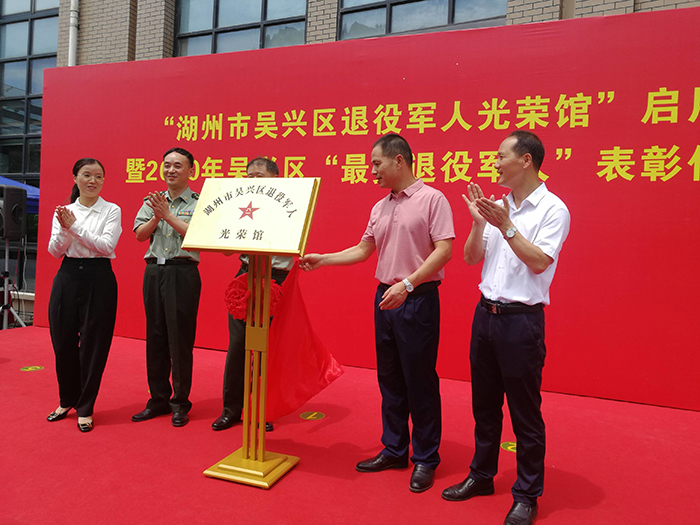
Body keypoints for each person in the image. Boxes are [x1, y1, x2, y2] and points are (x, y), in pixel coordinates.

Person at [300, 133, 454, 493]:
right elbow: (362, 250)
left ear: (399, 160)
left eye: (377, 163)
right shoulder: (380, 207)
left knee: (420, 380)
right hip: (385, 297)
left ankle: (426, 457)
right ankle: (395, 448)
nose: (372, 171)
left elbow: (444, 250)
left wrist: (408, 285)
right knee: (390, 377)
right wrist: (324, 259)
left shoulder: (433, 199)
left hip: (416, 298)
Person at [442, 131, 570, 525]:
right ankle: (481, 475)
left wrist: (507, 226)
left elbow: (539, 261)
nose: (495, 163)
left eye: (501, 156)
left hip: (521, 322)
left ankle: (527, 494)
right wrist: (479, 223)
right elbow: (470, 258)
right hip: (485, 316)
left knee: (524, 413)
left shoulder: (553, 209)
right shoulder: (496, 207)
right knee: (484, 405)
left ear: (526, 160)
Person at [212, 157, 293, 432]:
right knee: (238, 345)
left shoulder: (290, 208)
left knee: (266, 347)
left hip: (276, 278)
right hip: (246, 276)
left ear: (276, 180)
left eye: (260, 176)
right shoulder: (242, 207)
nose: (253, 182)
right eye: (249, 177)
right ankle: (231, 409)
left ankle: (261, 409)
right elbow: (226, 250)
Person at [47, 158, 122, 433]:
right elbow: (55, 250)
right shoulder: (64, 211)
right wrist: (66, 229)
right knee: (62, 341)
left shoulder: (112, 210)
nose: (93, 181)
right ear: (75, 178)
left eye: (98, 176)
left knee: (94, 344)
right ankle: (67, 400)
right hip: (67, 276)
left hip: (98, 277)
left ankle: (86, 407)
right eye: (87, 175)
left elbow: (106, 246)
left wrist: (74, 227)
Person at [132, 147, 201, 427]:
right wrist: (156, 215)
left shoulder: (199, 202)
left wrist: (168, 215)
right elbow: (140, 235)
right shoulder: (152, 201)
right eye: (167, 165)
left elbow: (199, 235)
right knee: (156, 336)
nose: (171, 170)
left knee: (179, 338)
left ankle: (180, 402)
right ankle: (158, 398)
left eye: (178, 165)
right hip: (153, 271)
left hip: (182, 272)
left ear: (191, 171)